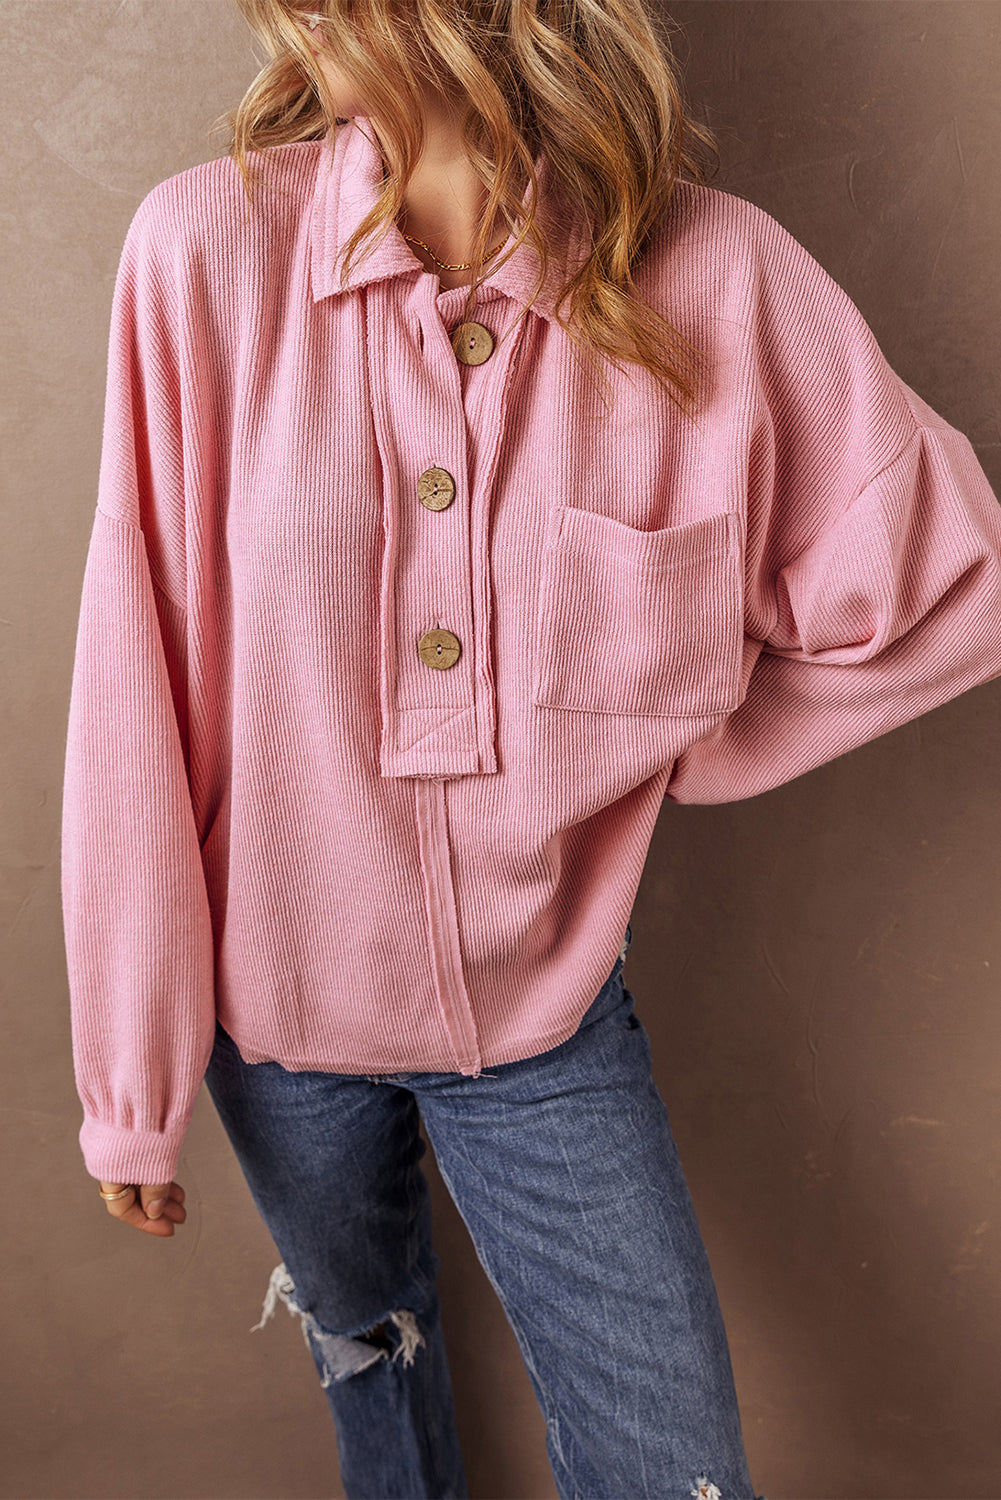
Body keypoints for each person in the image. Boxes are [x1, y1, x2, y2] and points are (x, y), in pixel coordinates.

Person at [59, 2, 1001, 1497]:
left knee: (670, 1466)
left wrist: (692, 742)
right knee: (373, 1365)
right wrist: (132, 1074)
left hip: (540, 1022)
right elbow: (136, 683)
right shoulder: (204, 255)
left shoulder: (714, 280)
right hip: (273, 1020)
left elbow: (949, 584)